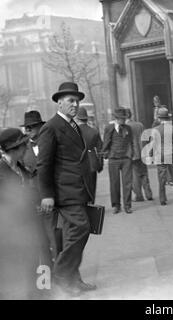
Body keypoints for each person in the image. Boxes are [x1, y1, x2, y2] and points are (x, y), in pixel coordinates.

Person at [37, 82, 96, 296]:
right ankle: (61, 275)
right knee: (81, 227)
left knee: (75, 233)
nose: (75, 104)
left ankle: (74, 278)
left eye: (77, 100)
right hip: (64, 192)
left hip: (78, 190)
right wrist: (47, 195)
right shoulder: (51, 127)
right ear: (59, 102)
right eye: (70, 100)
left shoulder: (73, 126)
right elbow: (44, 164)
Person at [0, 128, 40, 299]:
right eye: (24, 146)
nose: (26, 150)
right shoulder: (2, 172)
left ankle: (34, 292)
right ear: (15, 148)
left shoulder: (19, 167)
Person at [20, 111, 60, 269]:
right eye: (26, 127)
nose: (28, 129)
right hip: (34, 200)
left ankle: (62, 272)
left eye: (32, 126)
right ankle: (48, 274)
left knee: (56, 238)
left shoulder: (51, 143)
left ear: (41, 127)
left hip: (53, 197)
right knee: (40, 240)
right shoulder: (22, 149)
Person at [102, 108, 134, 214]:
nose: (124, 120)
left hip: (126, 159)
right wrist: (105, 154)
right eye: (121, 119)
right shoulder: (109, 128)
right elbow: (106, 142)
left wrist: (130, 154)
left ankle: (127, 205)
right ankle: (116, 205)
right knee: (114, 183)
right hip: (113, 159)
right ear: (116, 119)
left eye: (124, 118)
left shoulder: (128, 128)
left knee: (127, 183)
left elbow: (131, 142)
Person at [151, 107, 173, 206]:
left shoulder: (155, 129)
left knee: (161, 178)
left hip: (160, 155)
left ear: (159, 119)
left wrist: (151, 154)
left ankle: (162, 199)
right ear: (168, 118)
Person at [75, 107, 104, 203]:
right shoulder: (94, 131)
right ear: (86, 118)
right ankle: (91, 205)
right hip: (92, 162)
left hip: (78, 162)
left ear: (77, 118)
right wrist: (100, 165)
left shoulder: (73, 131)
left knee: (81, 187)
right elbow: (100, 150)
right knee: (91, 187)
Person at [125, 108, 153, 202]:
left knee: (135, 176)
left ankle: (139, 196)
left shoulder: (125, 127)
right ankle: (148, 194)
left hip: (133, 155)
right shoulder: (140, 125)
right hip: (143, 153)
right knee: (144, 173)